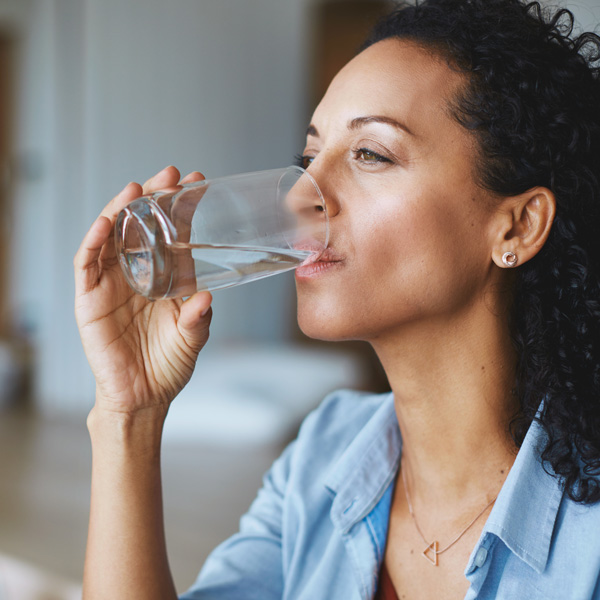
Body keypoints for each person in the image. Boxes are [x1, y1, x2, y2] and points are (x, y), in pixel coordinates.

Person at [74, 0, 600, 598]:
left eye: (370, 154)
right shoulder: (324, 453)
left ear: (518, 226)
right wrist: (129, 415)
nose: (303, 196)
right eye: (309, 157)